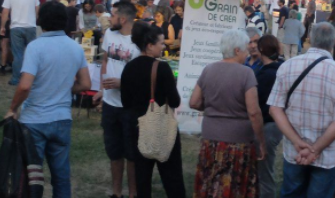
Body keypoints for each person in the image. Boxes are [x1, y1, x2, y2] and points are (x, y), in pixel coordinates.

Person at [6, 1, 91, 198]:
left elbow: (25, 85)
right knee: (61, 177)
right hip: (61, 118)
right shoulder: (75, 48)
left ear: (40, 21)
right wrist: (66, 88)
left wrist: (13, 108)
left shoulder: (36, 47)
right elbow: (86, 84)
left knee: (31, 177)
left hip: (34, 120)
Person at [267, 23, 335, 197]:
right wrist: (315, 149)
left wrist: (298, 143)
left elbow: (274, 109)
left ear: (309, 38)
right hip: (327, 155)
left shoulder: (287, 66)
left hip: (295, 152)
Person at [190, 30, 265, 198]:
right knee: (234, 186)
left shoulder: (208, 69)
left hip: (210, 139)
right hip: (238, 142)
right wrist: (260, 141)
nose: (247, 53)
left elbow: (194, 102)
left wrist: (213, 108)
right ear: (237, 50)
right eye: (245, 49)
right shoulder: (246, 73)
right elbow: (253, 112)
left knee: (210, 183)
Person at [120, 22, 185, 198]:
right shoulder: (162, 68)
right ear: (149, 46)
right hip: (162, 126)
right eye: (161, 43)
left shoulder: (129, 68)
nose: (163, 47)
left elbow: (125, 102)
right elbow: (175, 100)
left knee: (142, 179)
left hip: (138, 127)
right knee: (172, 178)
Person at [94, 1, 140, 198]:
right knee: (114, 152)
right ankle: (116, 193)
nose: (109, 18)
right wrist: (102, 89)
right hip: (111, 105)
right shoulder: (110, 35)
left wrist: (122, 84)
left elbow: (143, 77)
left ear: (122, 19)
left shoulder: (138, 42)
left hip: (130, 106)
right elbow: (105, 61)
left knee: (132, 154)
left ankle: (132, 193)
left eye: (112, 15)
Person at [254, 35, 284, 198]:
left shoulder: (264, 76)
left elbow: (255, 105)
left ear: (261, 50)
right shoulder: (283, 69)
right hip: (279, 124)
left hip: (267, 126)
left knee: (265, 173)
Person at [0, 0, 40, 86]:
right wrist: (34, 18)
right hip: (30, 25)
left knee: (18, 54)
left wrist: (2, 26)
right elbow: (37, 8)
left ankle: (16, 78)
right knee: (32, 53)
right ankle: (32, 76)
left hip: (16, 26)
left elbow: (5, 12)